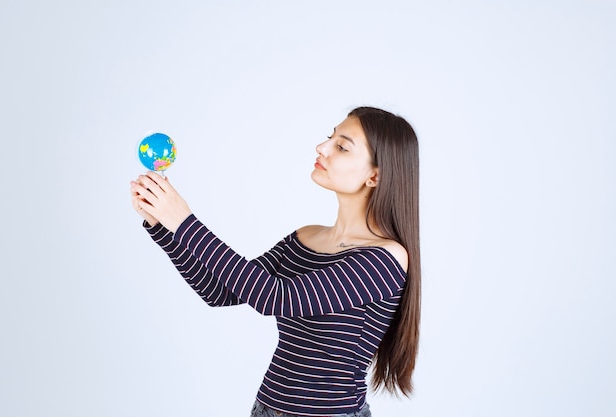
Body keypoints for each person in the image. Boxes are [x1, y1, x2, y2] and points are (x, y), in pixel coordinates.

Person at [130, 106, 421, 417]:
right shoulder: (306, 237)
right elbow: (218, 292)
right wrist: (161, 226)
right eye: (329, 137)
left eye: (341, 146)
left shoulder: (385, 259)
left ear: (375, 176)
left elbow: (276, 298)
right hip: (266, 408)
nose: (321, 148)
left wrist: (184, 221)